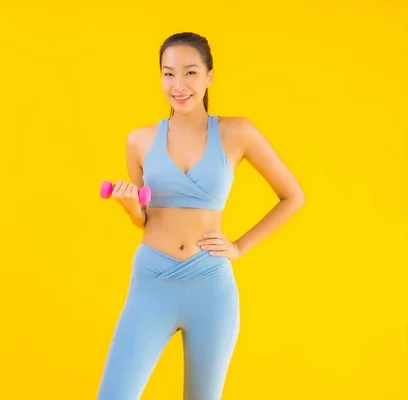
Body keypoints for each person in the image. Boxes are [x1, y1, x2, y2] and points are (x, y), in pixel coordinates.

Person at [96, 32, 305, 400]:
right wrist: (131, 209)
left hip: (210, 286)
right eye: (168, 73)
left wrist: (239, 246)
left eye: (190, 72)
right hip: (151, 282)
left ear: (209, 76)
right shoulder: (138, 141)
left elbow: (293, 196)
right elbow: (144, 219)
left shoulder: (237, 132)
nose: (178, 85)